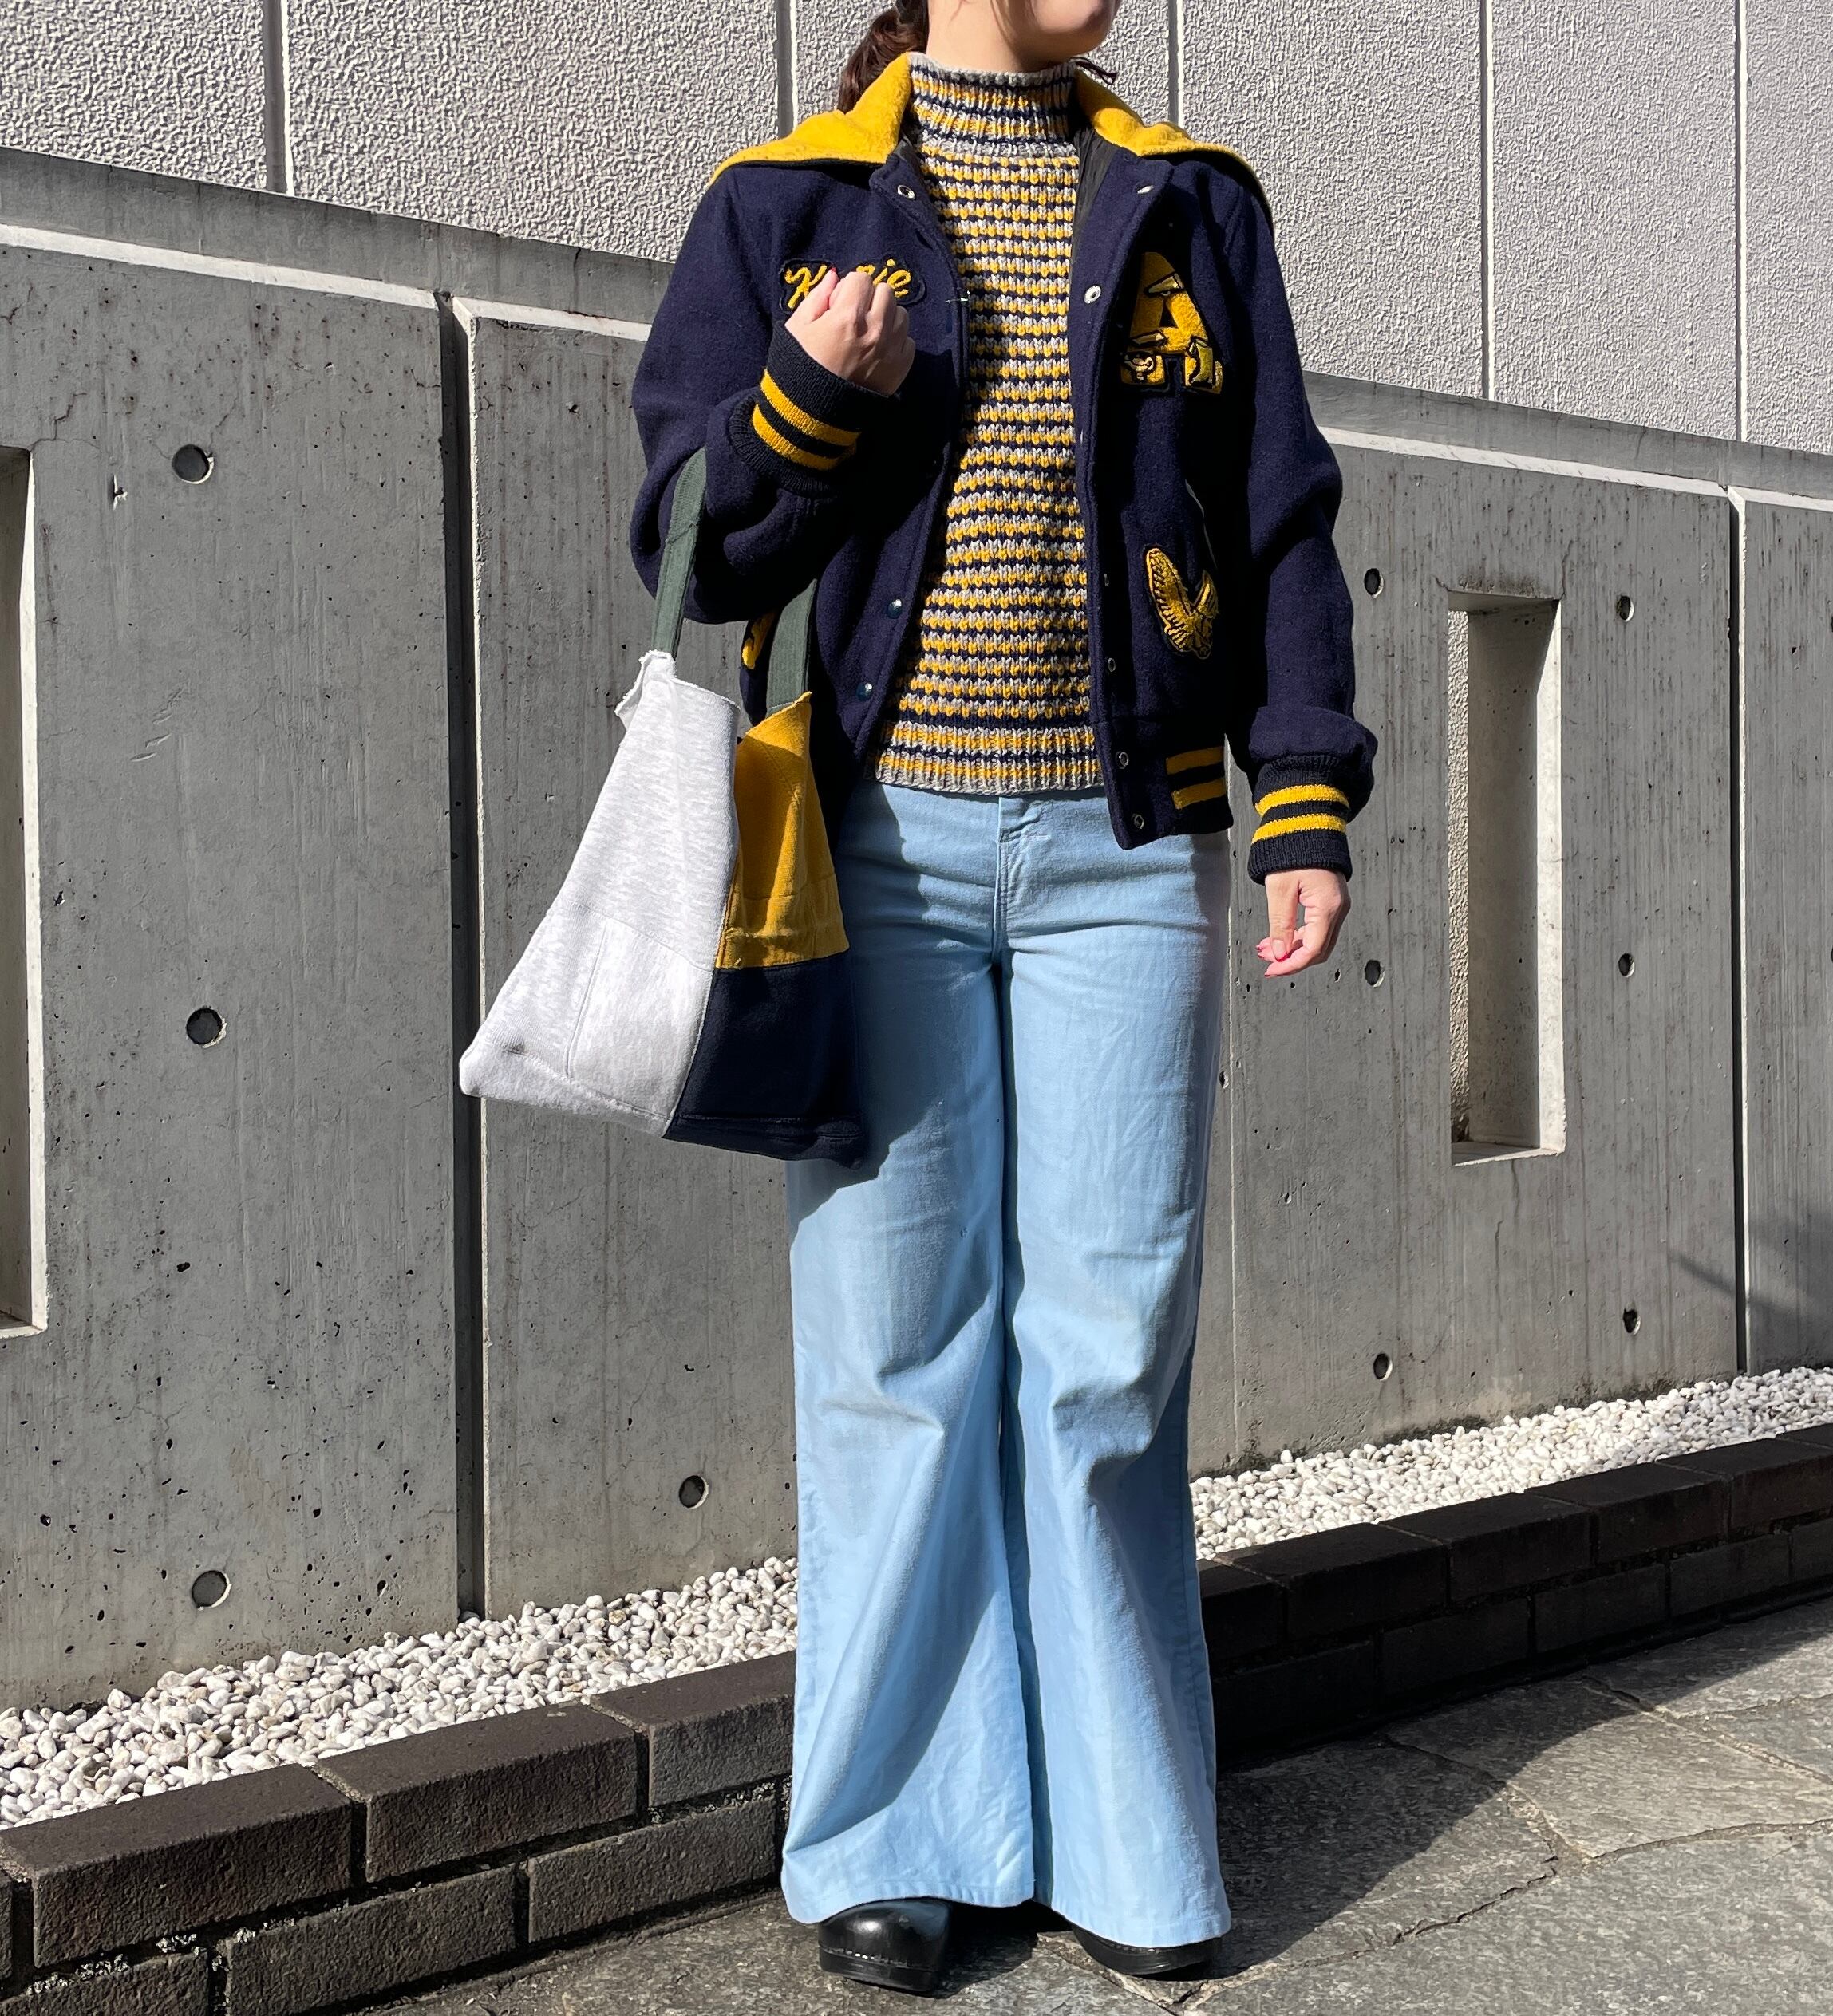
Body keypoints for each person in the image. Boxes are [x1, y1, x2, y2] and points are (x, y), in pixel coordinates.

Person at [629, 0, 1375, 1994]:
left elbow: (1279, 513)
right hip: (874, 849)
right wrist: (807, 395)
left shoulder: (1193, 202)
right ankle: (897, 1835)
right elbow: (694, 546)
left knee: (1109, 1350)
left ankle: (1125, 1837)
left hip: (1131, 853)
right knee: (894, 1348)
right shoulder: (783, 200)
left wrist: (1302, 794)